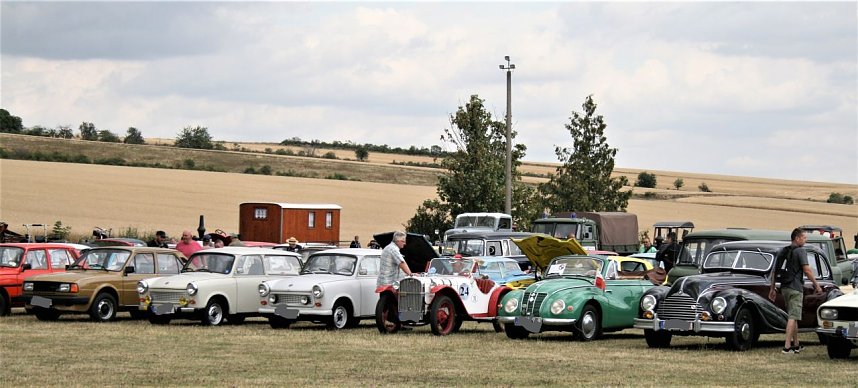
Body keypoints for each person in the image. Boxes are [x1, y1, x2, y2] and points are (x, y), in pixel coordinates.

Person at [768, 228, 822, 354]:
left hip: (785, 287)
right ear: (797, 238)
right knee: (793, 317)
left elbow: (775, 271)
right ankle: (787, 346)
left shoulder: (784, 250)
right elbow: (807, 270)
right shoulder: (800, 251)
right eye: (804, 238)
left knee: (794, 316)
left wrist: (772, 288)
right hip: (795, 287)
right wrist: (817, 285)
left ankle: (796, 344)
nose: (805, 240)